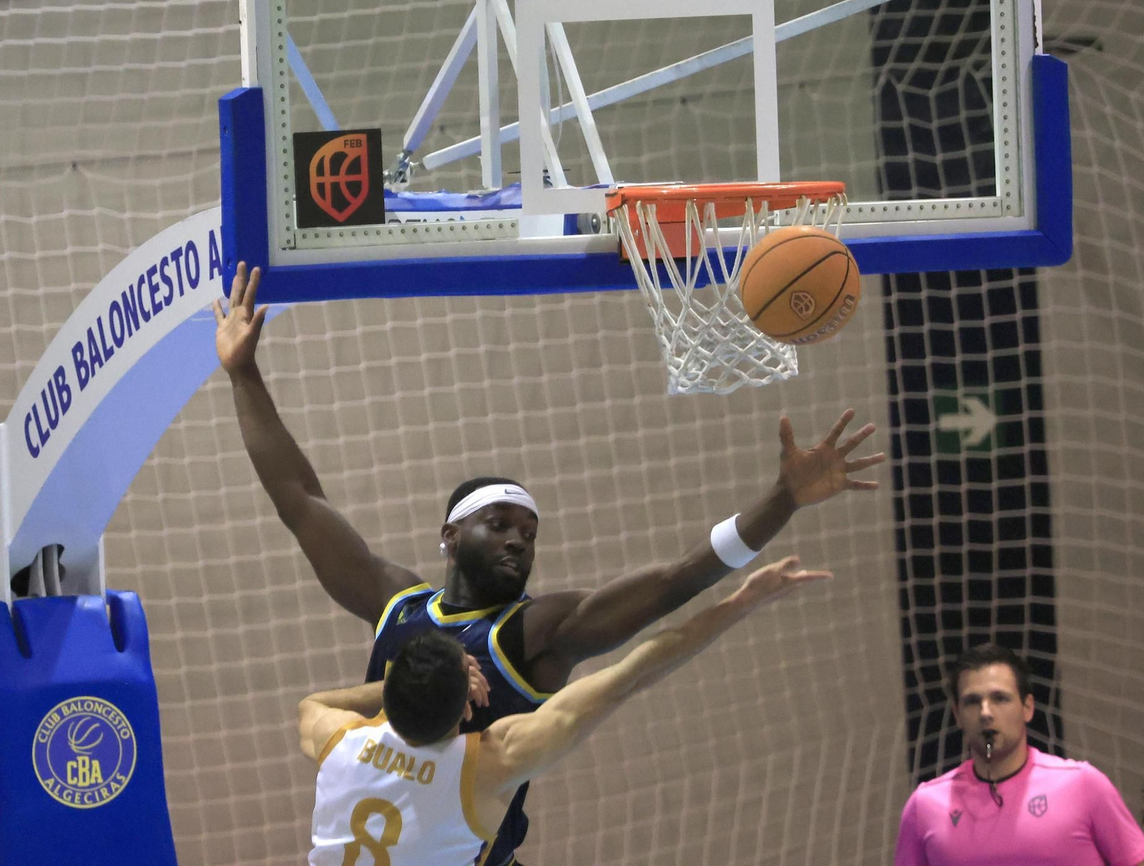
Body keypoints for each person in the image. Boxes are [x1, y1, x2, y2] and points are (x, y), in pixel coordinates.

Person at [215, 262, 884, 864]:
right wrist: (243, 372)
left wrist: (782, 499)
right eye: (499, 524)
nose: (517, 541)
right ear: (450, 534)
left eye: (529, 533)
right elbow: (299, 499)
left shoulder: (536, 633)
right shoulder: (398, 602)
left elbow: (676, 582)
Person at [297, 556, 830, 865]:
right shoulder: (493, 762)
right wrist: (739, 603)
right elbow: (633, 674)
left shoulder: (335, 739)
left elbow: (311, 703)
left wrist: (393, 685)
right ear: (467, 706)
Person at [894, 643, 1144, 866]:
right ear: (957, 715)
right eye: (972, 702)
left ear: (1027, 708)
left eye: (1000, 698)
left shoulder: (1084, 785)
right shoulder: (924, 806)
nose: (985, 712)